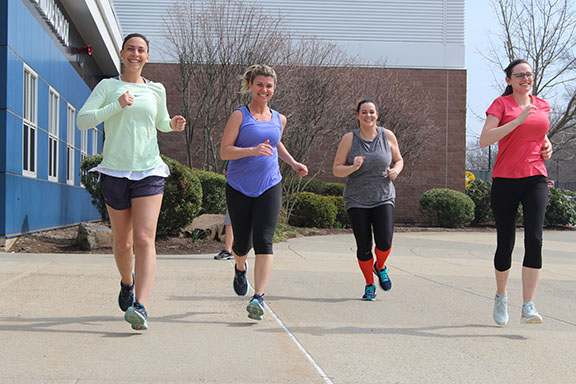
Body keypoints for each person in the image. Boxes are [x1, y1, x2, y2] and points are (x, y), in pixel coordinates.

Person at [77, 33, 186, 330]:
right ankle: (127, 282)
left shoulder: (156, 90)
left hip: (149, 170)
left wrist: (172, 125)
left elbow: (160, 122)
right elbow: (83, 120)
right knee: (123, 243)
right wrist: (116, 105)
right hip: (114, 171)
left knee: (143, 240)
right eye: (131, 49)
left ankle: (141, 305)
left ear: (147, 57)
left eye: (141, 50)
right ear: (122, 54)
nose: (136, 54)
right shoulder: (108, 87)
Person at [220, 64, 308, 320]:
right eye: (260, 84)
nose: (264, 90)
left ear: (274, 89)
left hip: (270, 184)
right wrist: (251, 150)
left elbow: (276, 142)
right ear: (250, 86)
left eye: (269, 86)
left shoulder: (279, 118)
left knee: (264, 241)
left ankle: (258, 297)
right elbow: (225, 151)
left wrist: (293, 163)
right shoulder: (240, 115)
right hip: (239, 186)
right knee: (242, 244)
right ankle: (239, 266)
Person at [480, 59, 553, 325]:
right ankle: (501, 295)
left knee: (534, 239)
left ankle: (528, 305)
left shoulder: (542, 105)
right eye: (519, 75)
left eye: (529, 74)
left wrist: (548, 146)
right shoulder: (501, 105)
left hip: (535, 177)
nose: (525, 78)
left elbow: (540, 135)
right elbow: (484, 139)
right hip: (506, 179)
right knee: (506, 243)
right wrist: (518, 120)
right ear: (509, 80)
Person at [332, 99, 404, 301]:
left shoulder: (387, 135)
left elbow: (399, 159)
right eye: (363, 112)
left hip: (383, 196)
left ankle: (380, 266)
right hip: (357, 200)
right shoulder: (349, 139)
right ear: (357, 116)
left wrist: (395, 171)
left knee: (385, 242)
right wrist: (352, 167)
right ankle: (369, 284)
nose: (368, 116)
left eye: (371, 112)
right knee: (364, 246)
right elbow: (336, 169)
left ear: (377, 115)